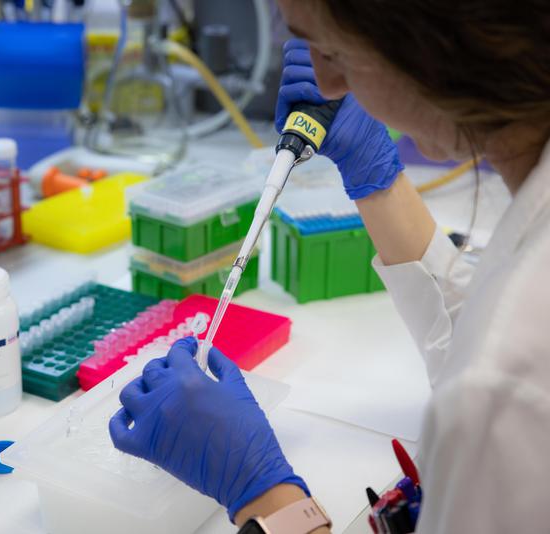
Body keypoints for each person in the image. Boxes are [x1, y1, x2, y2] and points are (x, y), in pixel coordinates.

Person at [109, 0, 550, 532]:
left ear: (436, 38)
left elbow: (498, 378)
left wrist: (263, 493)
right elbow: (479, 344)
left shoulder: (507, 387)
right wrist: (376, 175)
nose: (324, 79)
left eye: (332, 48)